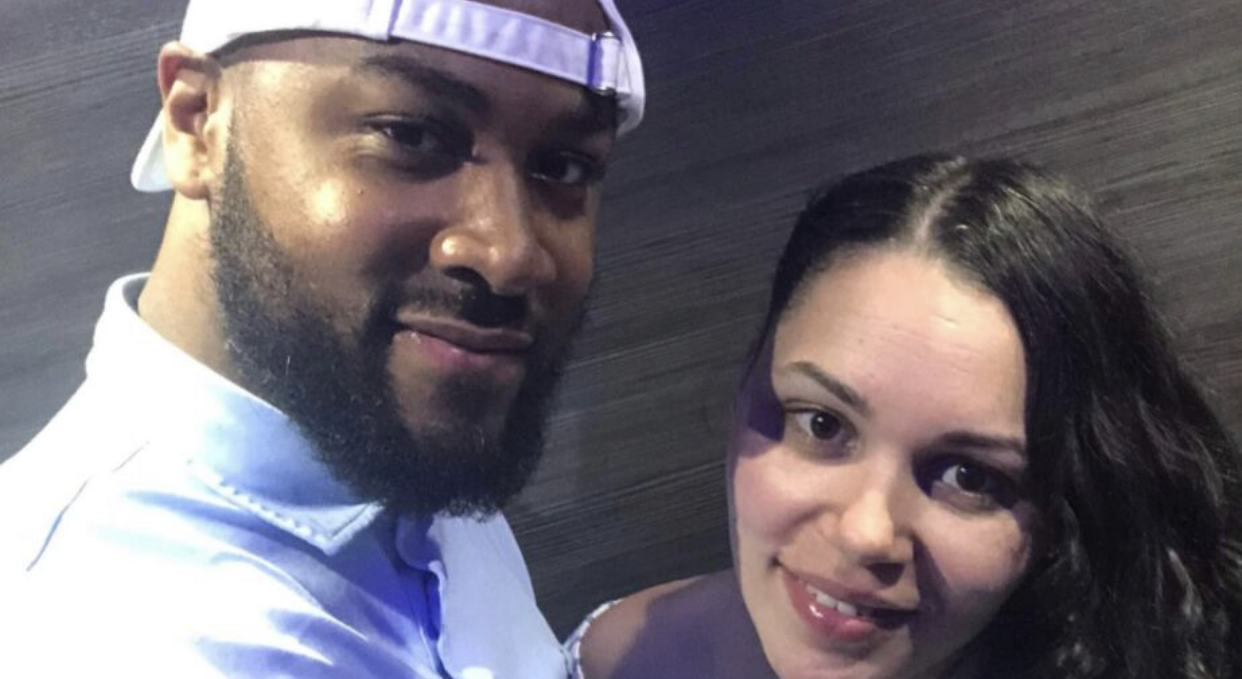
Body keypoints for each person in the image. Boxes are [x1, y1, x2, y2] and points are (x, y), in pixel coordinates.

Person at [0, 0, 645, 677]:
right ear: (197, 122)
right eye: (410, 136)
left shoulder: (374, 411)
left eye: (563, 166)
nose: (510, 254)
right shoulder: (72, 632)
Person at [573, 154, 1242, 679]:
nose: (866, 532)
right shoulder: (625, 656)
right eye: (823, 424)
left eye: (969, 477)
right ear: (750, 379)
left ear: (1060, 515)